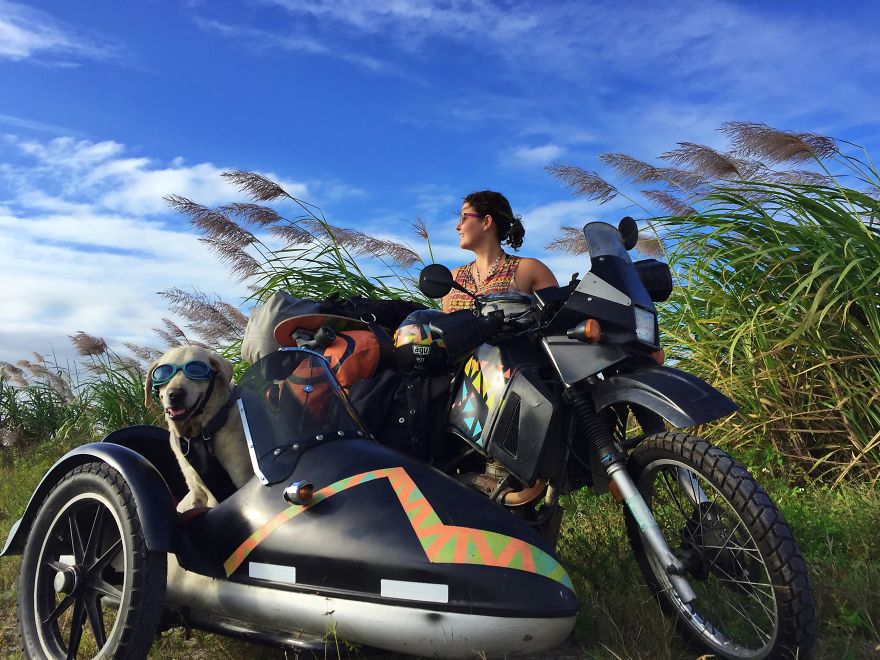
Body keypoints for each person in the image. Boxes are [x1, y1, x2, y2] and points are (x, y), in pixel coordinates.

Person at [443, 190, 559, 312]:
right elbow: (442, 329)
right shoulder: (452, 279)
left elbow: (559, 322)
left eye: (463, 217)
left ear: (486, 222)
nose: (457, 226)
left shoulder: (529, 269)